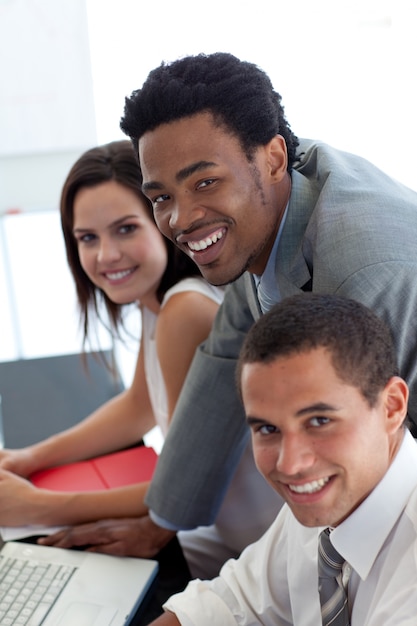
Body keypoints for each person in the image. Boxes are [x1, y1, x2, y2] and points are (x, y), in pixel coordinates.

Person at [41, 51, 417, 560]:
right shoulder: (266, 216)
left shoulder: (360, 270)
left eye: (204, 182)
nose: (181, 218)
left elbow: (386, 455)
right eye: (160, 198)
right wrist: (162, 522)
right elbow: (219, 368)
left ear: (274, 157)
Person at [0, 139, 282, 579]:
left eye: (126, 229)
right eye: (87, 238)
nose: (105, 255)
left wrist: (36, 505)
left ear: (163, 220)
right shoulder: (160, 303)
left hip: (259, 552)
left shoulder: (183, 312)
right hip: (223, 532)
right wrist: (28, 458)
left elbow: (182, 485)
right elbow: (139, 406)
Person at [148, 293, 417, 625]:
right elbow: (227, 604)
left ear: (392, 407)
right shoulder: (324, 501)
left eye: (319, 421)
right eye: (267, 428)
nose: (290, 465)